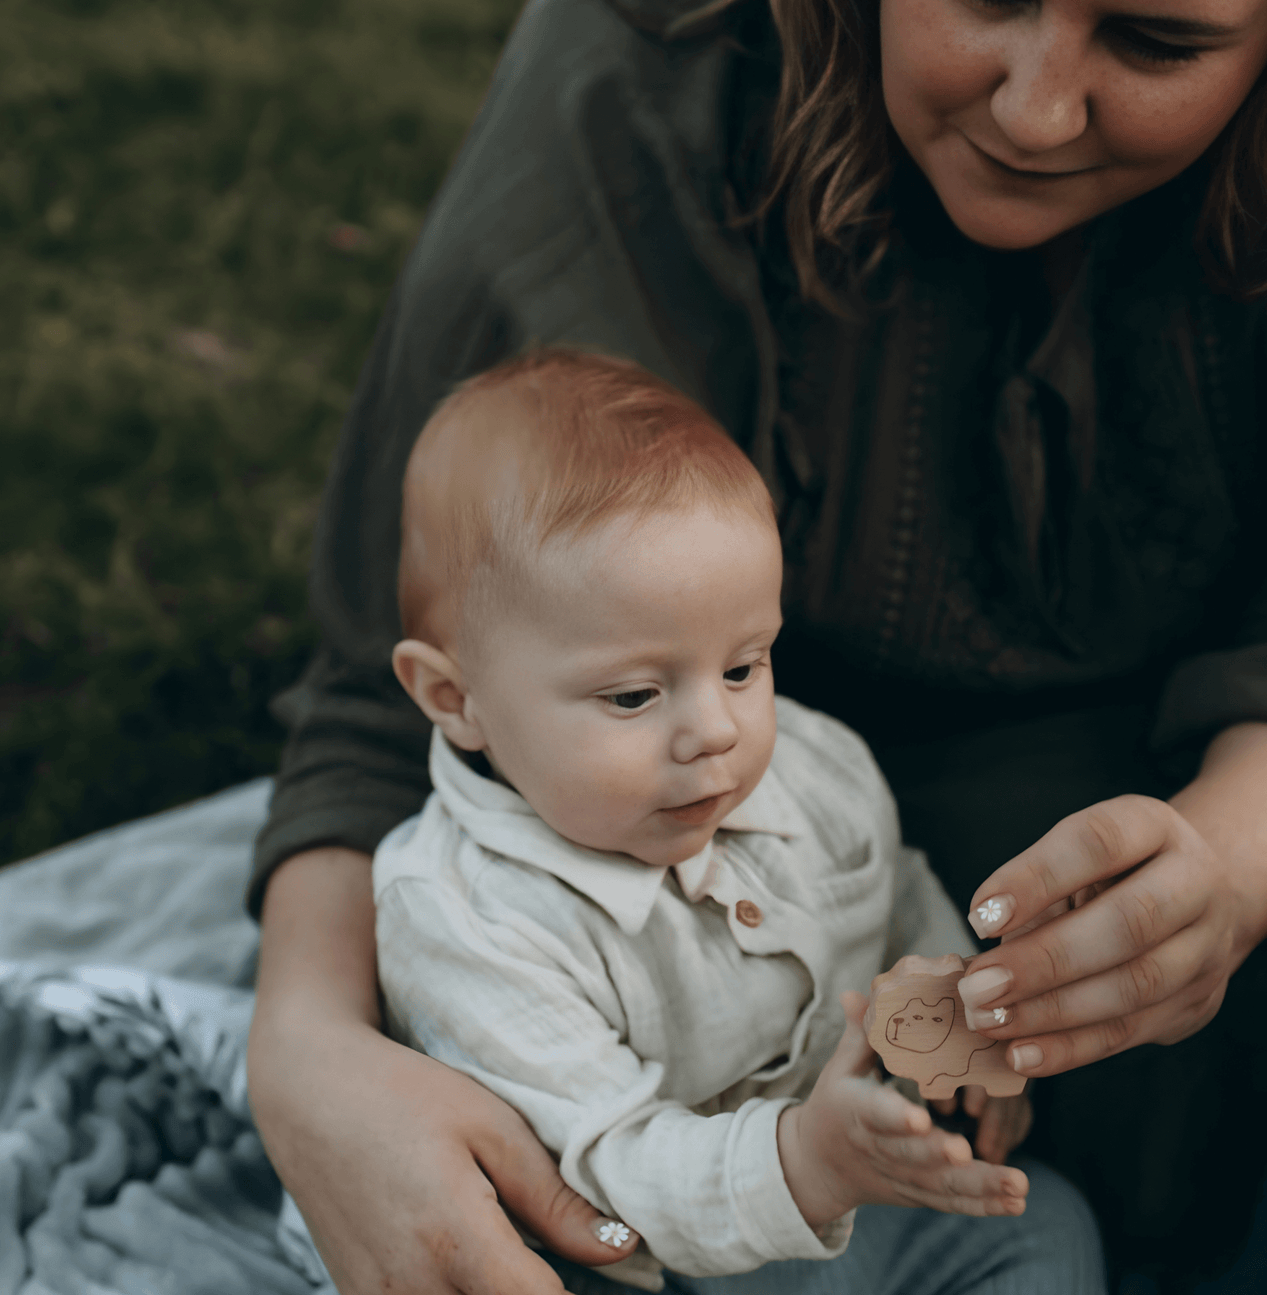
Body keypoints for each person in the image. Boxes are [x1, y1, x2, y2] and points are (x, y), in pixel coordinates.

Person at [244, 0, 1267, 1291]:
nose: (1035, 105)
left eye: (1155, 42)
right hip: (678, 892)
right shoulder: (660, 57)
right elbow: (438, 666)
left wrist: (1227, 878)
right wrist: (308, 1052)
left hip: (1194, 808)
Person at [318, 346, 1103, 1295]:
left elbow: (894, 890)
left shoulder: (813, 768)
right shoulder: (467, 919)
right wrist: (802, 1164)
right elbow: (609, 1162)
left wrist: (954, 1029)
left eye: (743, 666)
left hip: (855, 1201)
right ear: (456, 697)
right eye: (634, 695)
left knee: (1041, 1226)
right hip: (641, 1255)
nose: (715, 731)